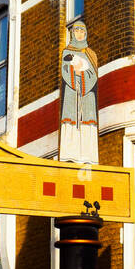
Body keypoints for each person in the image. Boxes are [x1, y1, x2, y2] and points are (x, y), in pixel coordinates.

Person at [59, 20, 98, 164]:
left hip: (87, 93)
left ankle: (88, 155)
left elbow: (93, 74)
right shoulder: (67, 51)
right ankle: (70, 153)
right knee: (71, 120)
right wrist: (73, 72)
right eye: (77, 31)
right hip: (71, 91)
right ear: (72, 33)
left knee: (87, 120)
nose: (80, 34)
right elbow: (65, 69)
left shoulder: (91, 53)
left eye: (82, 31)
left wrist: (83, 75)